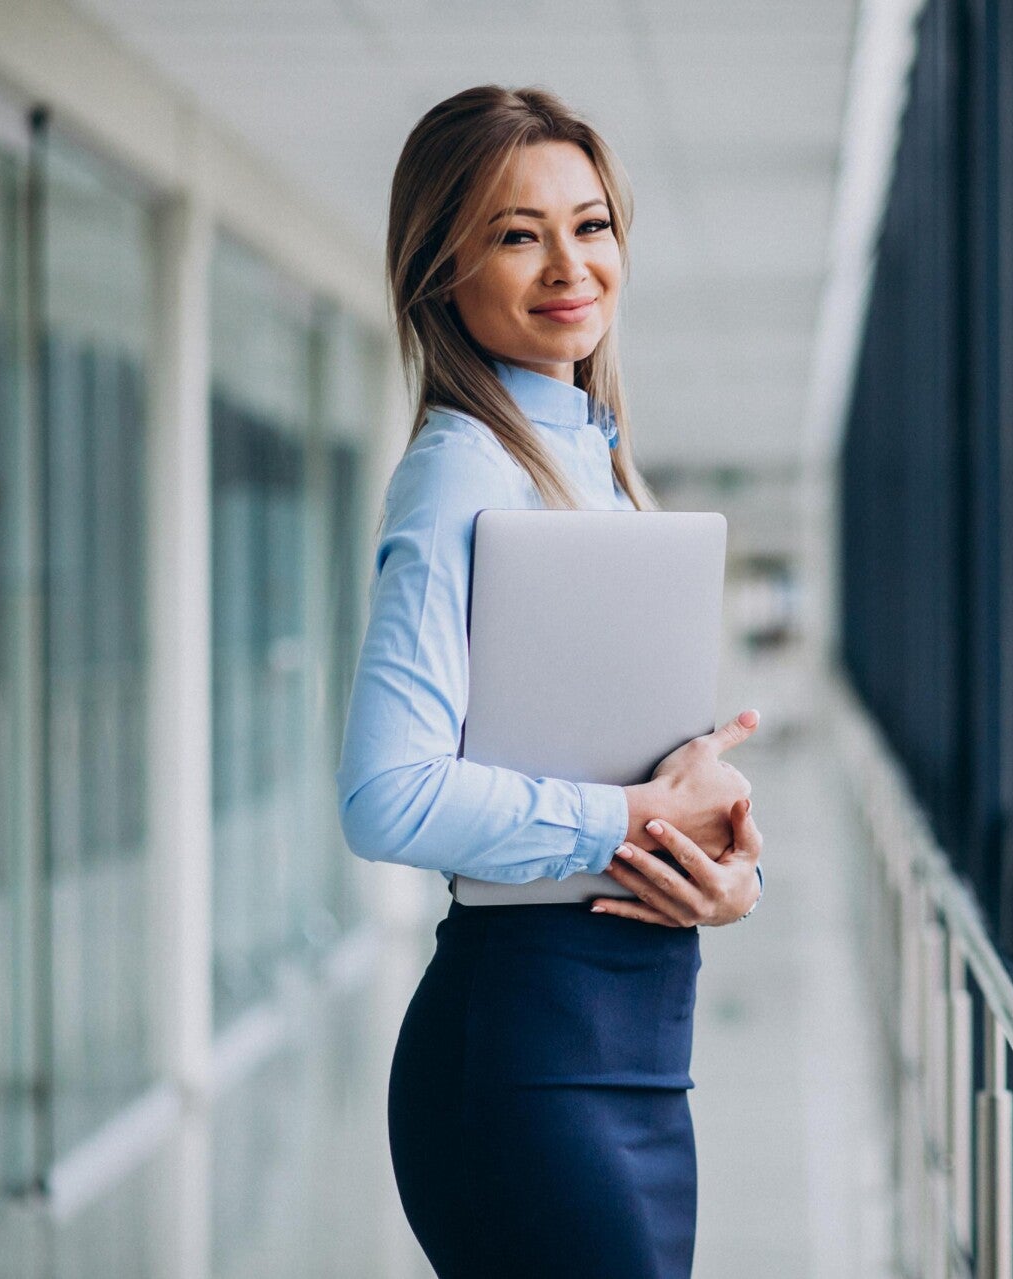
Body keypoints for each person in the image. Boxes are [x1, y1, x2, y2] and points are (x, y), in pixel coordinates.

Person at [335, 85, 765, 1278]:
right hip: (530, 1058)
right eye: (517, 235)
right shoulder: (462, 474)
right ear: (440, 271)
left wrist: (724, 871)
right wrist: (628, 818)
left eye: (591, 225)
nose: (570, 266)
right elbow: (387, 796)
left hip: (629, 1042)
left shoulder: (594, 464)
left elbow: (619, 760)